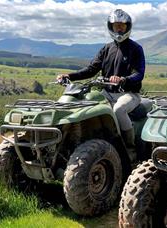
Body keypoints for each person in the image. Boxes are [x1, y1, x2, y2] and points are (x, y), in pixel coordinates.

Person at [57, 9, 145, 162]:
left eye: (122, 26)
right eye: (116, 25)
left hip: (129, 94)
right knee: (84, 107)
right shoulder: (106, 49)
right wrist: (69, 76)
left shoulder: (136, 49)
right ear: (110, 27)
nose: (119, 29)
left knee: (119, 110)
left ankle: (130, 151)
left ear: (128, 27)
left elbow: (139, 73)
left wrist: (124, 79)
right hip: (107, 93)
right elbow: (91, 70)